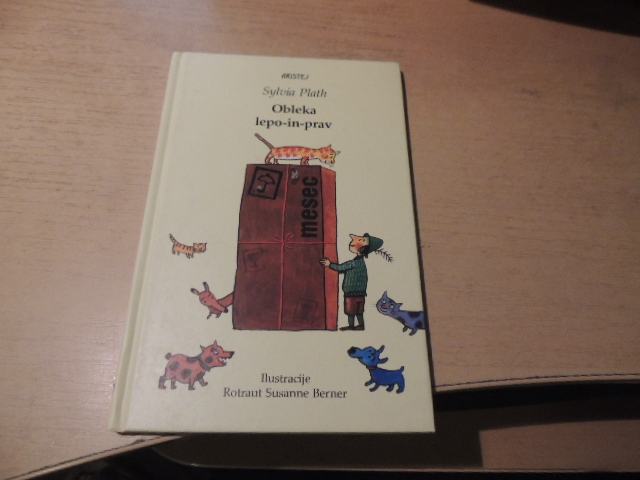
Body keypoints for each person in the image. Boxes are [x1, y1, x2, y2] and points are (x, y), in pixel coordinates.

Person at [320, 233, 385, 331]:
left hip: (351, 293)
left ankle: (352, 326)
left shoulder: (353, 263)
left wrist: (330, 264)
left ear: (362, 249)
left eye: (362, 240)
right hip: (360, 293)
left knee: (351, 311)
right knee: (359, 311)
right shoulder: (361, 263)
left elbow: (341, 267)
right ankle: (361, 325)